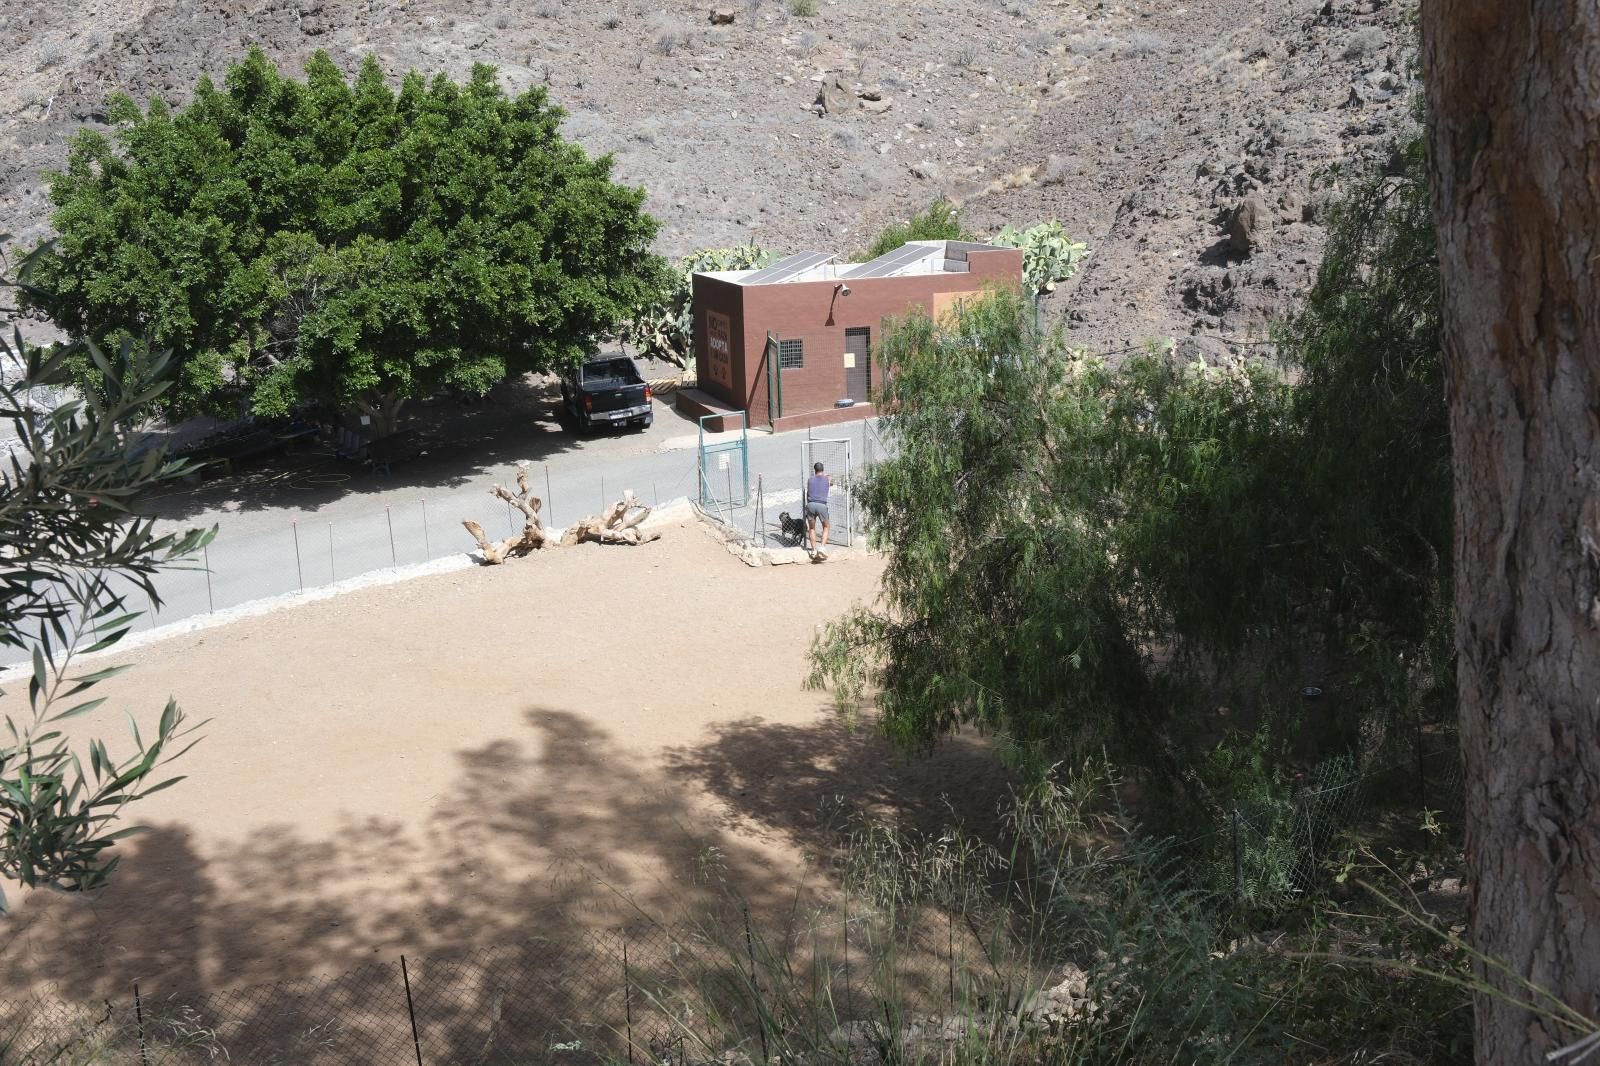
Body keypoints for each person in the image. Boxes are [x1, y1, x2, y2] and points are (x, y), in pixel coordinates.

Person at [805, 461, 833, 560]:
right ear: (823, 469)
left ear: (815, 470)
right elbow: (831, 480)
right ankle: (822, 547)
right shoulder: (827, 479)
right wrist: (826, 476)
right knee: (826, 526)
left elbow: (809, 490)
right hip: (822, 505)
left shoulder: (810, 480)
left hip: (810, 505)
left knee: (811, 528)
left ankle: (813, 550)